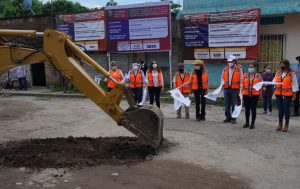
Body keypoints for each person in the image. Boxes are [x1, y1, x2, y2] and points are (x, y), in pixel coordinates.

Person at [273, 59, 299, 132]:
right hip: (278, 94)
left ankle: (286, 124)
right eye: (280, 64)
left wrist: (294, 95)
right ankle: (280, 124)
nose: (281, 66)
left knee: (286, 109)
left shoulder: (292, 74)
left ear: (287, 65)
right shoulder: (278, 73)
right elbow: (274, 81)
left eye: (282, 64)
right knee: (280, 110)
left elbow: (295, 85)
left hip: (287, 95)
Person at [221, 55, 243, 124]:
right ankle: (228, 117)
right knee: (226, 104)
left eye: (231, 61)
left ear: (234, 61)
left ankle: (234, 118)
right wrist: (222, 85)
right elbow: (222, 78)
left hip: (235, 89)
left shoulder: (239, 69)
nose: (230, 62)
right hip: (226, 88)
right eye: (229, 61)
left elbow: (241, 79)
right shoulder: (225, 69)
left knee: (234, 104)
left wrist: (241, 88)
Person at [242, 64, 262, 129]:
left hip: (255, 95)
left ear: (254, 68)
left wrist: (260, 94)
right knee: (247, 109)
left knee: (253, 109)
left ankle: (252, 123)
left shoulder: (258, 75)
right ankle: (247, 122)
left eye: (252, 67)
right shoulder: (245, 75)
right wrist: (240, 92)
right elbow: (242, 84)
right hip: (246, 94)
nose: (250, 68)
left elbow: (261, 85)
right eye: (249, 67)